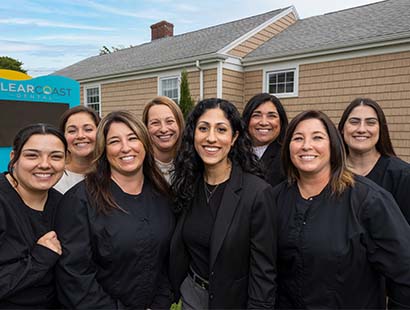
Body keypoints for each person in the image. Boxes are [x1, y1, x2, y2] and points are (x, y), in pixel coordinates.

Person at [274, 110, 410, 308]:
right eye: (298, 138)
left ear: (333, 145)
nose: (306, 146)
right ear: (288, 148)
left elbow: (404, 271)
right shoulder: (275, 198)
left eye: (317, 137)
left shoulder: (368, 200)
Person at [55, 111, 175, 309]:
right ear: (103, 149)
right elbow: (75, 275)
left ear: (145, 143)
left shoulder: (163, 195)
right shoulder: (80, 200)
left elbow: (168, 259)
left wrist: (160, 303)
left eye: (133, 138)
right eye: (114, 141)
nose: (125, 148)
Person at [170, 98, 277, 309]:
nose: (211, 138)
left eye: (221, 129)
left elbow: (264, 272)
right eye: (203, 128)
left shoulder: (256, 193)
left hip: (234, 301)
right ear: (193, 135)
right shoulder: (188, 184)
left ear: (234, 137)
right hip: (192, 297)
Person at [0, 123, 66, 308]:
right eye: (32, 155)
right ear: (14, 157)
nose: (45, 164)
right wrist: (40, 259)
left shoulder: (65, 205)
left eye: (56, 157)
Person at [338, 97, 410, 224]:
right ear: (342, 129)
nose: (361, 129)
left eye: (370, 123)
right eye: (354, 122)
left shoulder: (402, 175)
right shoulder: (331, 172)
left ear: (381, 129)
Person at [242, 93, 288, 187]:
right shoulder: (235, 152)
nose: (263, 122)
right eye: (256, 115)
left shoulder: (287, 156)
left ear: (281, 121)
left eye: (271, 116)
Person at [54, 106, 100, 193]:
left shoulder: (114, 175)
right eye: (72, 131)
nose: (80, 136)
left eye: (88, 129)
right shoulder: (53, 177)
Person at [142, 96, 185, 183]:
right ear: (146, 128)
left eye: (170, 121)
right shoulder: (139, 168)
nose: (163, 129)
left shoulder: (192, 165)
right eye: (155, 123)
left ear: (179, 125)